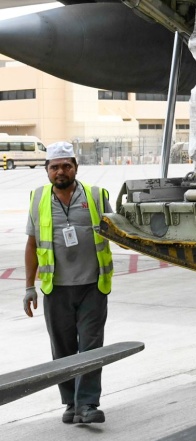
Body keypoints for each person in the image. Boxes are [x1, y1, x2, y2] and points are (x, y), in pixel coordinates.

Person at [23, 141, 113, 425]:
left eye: (66, 166)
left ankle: (87, 403)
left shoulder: (96, 196)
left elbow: (116, 231)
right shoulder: (38, 198)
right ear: (47, 170)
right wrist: (28, 287)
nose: (60, 171)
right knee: (62, 350)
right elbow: (32, 244)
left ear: (75, 167)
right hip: (56, 288)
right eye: (54, 167)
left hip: (92, 286)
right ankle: (71, 404)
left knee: (91, 346)